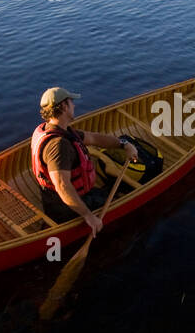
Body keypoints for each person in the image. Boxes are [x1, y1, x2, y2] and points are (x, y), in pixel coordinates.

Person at [30, 87, 137, 234]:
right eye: (71, 102)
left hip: (60, 198)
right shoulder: (59, 145)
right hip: (64, 208)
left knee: (110, 190)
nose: (74, 105)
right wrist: (88, 216)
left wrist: (123, 144)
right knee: (120, 203)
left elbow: (93, 138)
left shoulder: (53, 129)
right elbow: (62, 186)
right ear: (63, 106)